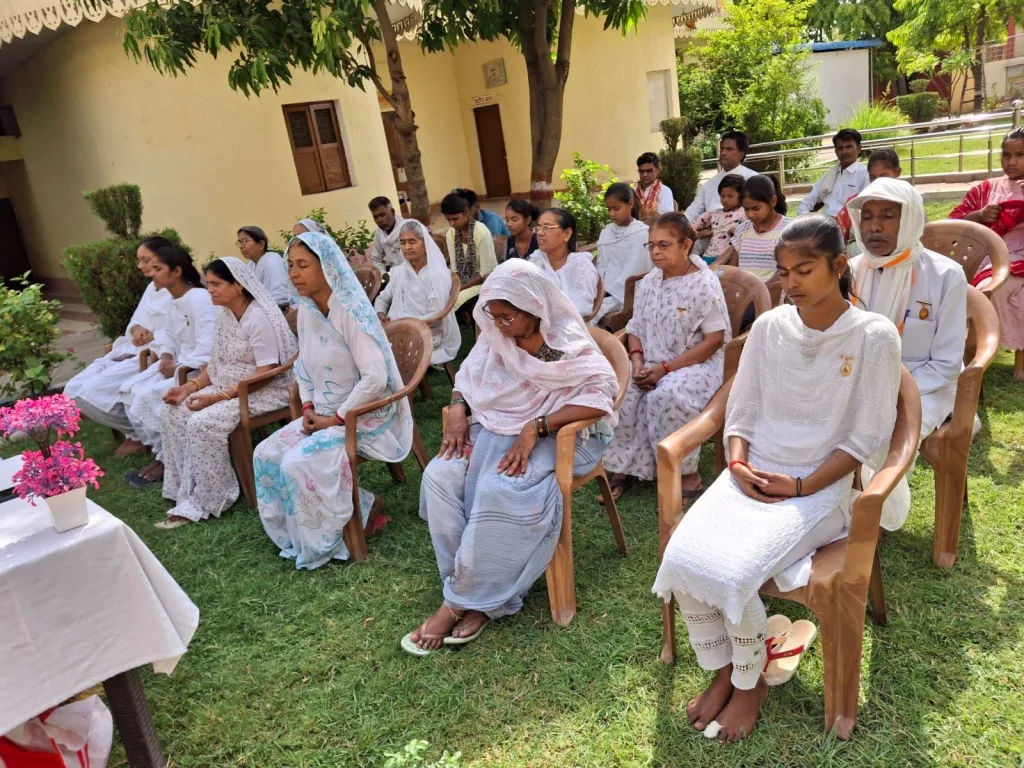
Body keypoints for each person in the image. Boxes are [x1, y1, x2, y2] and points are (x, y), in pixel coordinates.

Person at [652, 215, 901, 744]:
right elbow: (741, 411)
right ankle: (727, 669)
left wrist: (802, 486)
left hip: (820, 490)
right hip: (752, 475)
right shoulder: (769, 326)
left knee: (733, 571)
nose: (789, 284)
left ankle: (751, 684)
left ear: (838, 266)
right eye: (783, 272)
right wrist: (738, 462)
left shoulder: (873, 334)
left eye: (803, 271)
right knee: (682, 560)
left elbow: (865, 437)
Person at [405, 259, 619, 653]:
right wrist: (455, 407)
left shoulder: (564, 343)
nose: (498, 325)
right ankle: (475, 591)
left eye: (507, 317)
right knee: (440, 476)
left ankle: (460, 603)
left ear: (534, 308)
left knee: (500, 488)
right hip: (493, 426)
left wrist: (535, 427)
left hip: (561, 432)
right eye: (493, 315)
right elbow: (469, 380)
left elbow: (599, 394)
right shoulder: (495, 335)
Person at [255, 232, 413, 570]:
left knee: (296, 462)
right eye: (290, 266)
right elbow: (304, 366)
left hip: (365, 414)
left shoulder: (350, 312)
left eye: (303, 265)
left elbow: (375, 377)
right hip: (324, 412)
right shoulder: (309, 311)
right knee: (266, 453)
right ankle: (299, 535)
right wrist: (310, 408)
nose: (294, 274)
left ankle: (328, 539)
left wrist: (337, 418)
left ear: (326, 268)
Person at [847, 178, 966, 527]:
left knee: (886, 428)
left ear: (911, 218)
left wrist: (892, 389)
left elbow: (946, 364)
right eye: (867, 217)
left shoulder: (946, 275)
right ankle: (838, 502)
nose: (875, 226)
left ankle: (871, 514)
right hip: (859, 377)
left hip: (926, 385)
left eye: (888, 215)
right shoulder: (853, 271)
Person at [157, 257, 298, 529]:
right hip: (229, 387)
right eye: (207, 284)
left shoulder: (256, 317)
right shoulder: (224, 315)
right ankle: (183, 489)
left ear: (239, 286)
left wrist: (217, 398)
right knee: (173, 410)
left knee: (202, 422)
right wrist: (189, 387)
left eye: (216, 284)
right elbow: (217, 362)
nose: (210, 290)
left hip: (266, 390)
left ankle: (212, 498)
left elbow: (266, 371)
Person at [603, 212, 729, 502]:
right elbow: (635, 329)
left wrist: (665, 368)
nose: (656, 252)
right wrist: (636, 363)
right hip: (652, 362)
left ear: (686, 245)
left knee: (668, 394)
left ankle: (686, 474)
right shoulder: (649, 281)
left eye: (664, 245)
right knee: (625, 391)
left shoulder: (703, 284)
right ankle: (626, 465)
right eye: (651, 245)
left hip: (697, 363)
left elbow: (714, 341)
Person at [65, 238, 172, 457]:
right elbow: (136, 320)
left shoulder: (183, 291)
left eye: (146, 260)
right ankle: (135, 433)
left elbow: (182, 331)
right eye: (138, 261)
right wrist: (136, 330)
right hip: (133, 347)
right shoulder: (152, 288)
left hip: (154, 354)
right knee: (74, 389)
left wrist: (154, 336)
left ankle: (140, 435)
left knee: (92, 391)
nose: (141, 266)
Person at [122, 243, 217, 487]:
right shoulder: (175, 301)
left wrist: (177, 368)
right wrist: (165, 356)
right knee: (130, 390)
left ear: (176, 272)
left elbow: (209, 347)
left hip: (196, 371)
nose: (151, 273)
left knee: (151, 396)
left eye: (157, 268)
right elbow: (170, 336)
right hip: (178, 365)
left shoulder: (198, 298)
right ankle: (165, 455)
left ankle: (171, 461)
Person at [950, 127, 1024, 368]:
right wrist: (980, 215)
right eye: (1006, 155)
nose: (1011, 162)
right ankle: (975, 353)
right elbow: (954, 222)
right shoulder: (986, 189)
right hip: (992, 258)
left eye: (1020, 155)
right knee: (987, 288)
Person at [374, 220, 461, 364]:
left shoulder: (436, 274)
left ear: (425, 244)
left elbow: (435, 315)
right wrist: (380, 313)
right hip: (397, 328)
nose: (407, 247)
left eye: (412, 241)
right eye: (403, 243)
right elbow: (383, 298)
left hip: (426, 331)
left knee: (381, 355)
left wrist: (404, 325)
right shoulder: (399, 272)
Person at [714, 174, 791, 287]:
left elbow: (786, 273)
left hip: (775, 299)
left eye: (756, 208)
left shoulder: (788, 230)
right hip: (745, 297)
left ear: (773, 201)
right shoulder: (743, 230)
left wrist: (759, 292)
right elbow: (734, 267)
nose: (750, 214)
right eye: (746, 209)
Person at [592, 183, 652, 324]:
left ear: (630, 204)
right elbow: (601, 262)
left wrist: (608, 290)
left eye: (616, 208)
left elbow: (638, 267)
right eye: (609, 209)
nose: (612, 214)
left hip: (625, 292)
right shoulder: (607, 231)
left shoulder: (642, 234)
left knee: (591, 313)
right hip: (601, 287)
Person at [529, 208, 601, 317]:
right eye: (538, 227)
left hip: (572, 327)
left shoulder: (581, 266)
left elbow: (581, 308)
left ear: (567, 234)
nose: (540, 233)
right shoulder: (535, 261)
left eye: (547, 227)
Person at [685, 131, 760, 222]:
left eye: (729, 149)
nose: (723, 153)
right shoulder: (709, 185)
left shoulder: (754, 180)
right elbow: (692, 212)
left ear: (741, 154)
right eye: (722, 149)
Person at [443, 192, 499, 310]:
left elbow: (485, 272)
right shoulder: (451, 234)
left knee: (455, 302)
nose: (452, 223)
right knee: (440, 297)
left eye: (455, 219)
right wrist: (455, 286)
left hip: (485, 281)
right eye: (449, 220)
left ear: (466, 213)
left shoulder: (481, 232)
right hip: (462, 281)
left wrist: (460, 288)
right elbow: (454, 270)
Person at [796, 128, 869, 217]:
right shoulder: (830, 176)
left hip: (851, 225)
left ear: (858, 149)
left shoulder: (865, 175)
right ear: (836, 151)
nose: (844, 152)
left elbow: (867, 209)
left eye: (849, 147)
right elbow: (807, 202)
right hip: (826, 225)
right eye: (840, 148)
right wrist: (805, 220)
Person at [835, 149, 902, 242]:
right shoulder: (856, 201)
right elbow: (840, 234)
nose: (877, 181)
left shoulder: (906, 200)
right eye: (873, 177)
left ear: (897, 172)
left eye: (883, 176)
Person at [692, 174, 748, 265]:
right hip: (709, 257)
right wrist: (699, 234)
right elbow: (692, 226)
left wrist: (738, 231)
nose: (725, 200)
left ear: (742, 196)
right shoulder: (713, 213)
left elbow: (751, 231)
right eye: (722, 196)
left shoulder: (746, 213)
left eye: (730, 196)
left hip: (731, 259)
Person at [237, 226, 292, 309]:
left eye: (245, 241)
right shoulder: (250, 266)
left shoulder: (273, 260)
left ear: (261, 244)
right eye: (239, 242)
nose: (241, 246)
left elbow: (280, 295)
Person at [368, 196, 407, 273]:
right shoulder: (379, 233)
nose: (379, 220)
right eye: (375, 217)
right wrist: (384, 274)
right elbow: (375, 259)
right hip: (395, 276)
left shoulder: (408, 228)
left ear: (392, 212)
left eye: (382, 215)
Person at [636, 152, 676, 218]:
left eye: (649, 171)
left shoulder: (664, 191)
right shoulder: (634, 192)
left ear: (657, 170)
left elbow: (665, 219)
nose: (644, 175)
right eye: (641, 171)